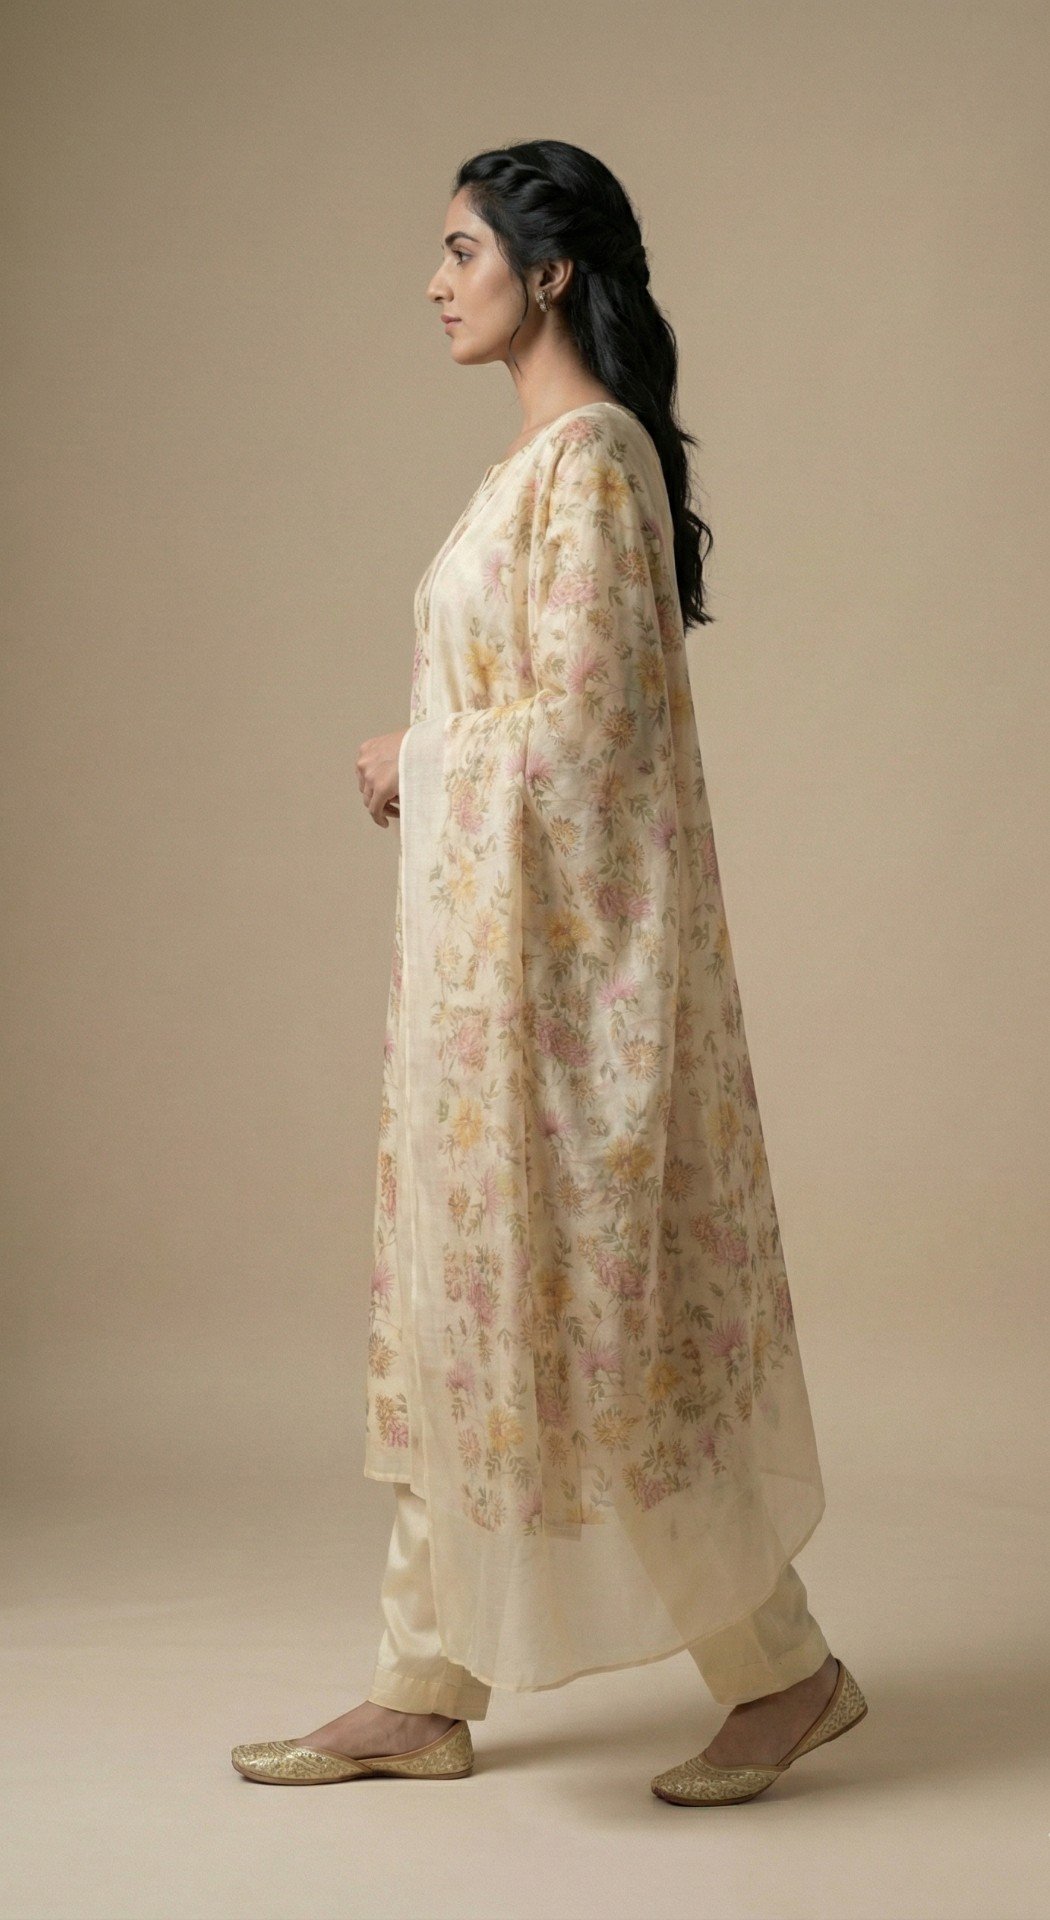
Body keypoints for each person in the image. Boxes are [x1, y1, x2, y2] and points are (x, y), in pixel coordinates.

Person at [232, 140, 867, 1804]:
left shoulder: (587, 464)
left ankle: (784, 1674)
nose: (435, 282)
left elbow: (593, 733)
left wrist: (420, 756)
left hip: (563, 999)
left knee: (595, 1320)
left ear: (551, 268)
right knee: (466, 1311)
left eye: (462, 250)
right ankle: (421, 1689)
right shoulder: (530, 467)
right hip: (479, 988)